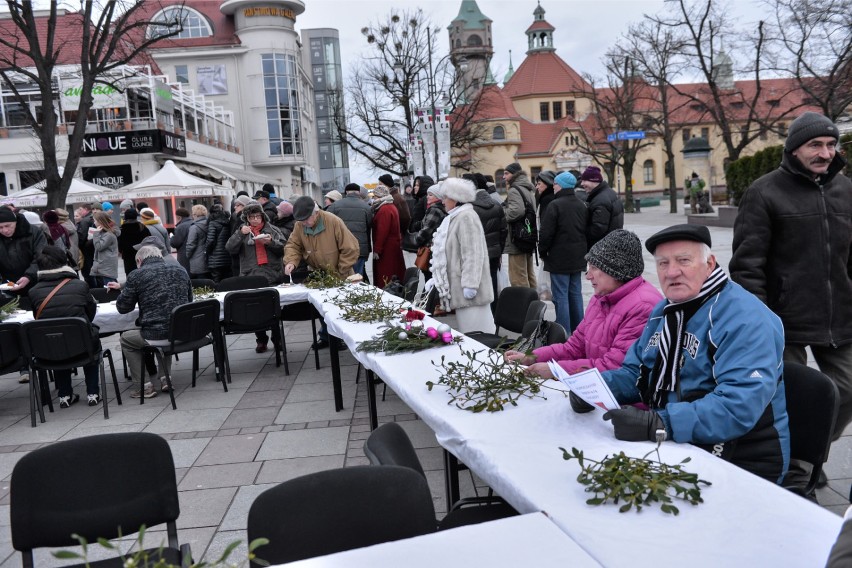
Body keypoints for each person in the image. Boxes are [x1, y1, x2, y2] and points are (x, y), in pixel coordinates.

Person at [598, 224, 789, 484]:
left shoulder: (745, 318)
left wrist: (657, 422)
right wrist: (596, 388)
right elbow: (636, 371)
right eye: (663, 263)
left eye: (684, 261)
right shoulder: (664, 311)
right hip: (680, 441)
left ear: (710, 263)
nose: (672, 272)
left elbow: (737, 405)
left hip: (744, 456)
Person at [730, 111, 852, 488]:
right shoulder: (764, 192)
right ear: (795, 148)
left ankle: (810, 452)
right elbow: (747, 264)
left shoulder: (847, 190)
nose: (826, 152)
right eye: (816, 144)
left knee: (847, 389)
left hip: (841, 317)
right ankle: (798, 470)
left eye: (831, 144)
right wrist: (761, 319)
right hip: (784, 319)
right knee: (792, 396)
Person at [506, 230, 661, 378]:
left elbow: (616, 368)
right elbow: (573, 347)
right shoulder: (601, 297)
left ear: (616, 271)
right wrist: (530, 357)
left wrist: (556, 371)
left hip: (624, 399)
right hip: (596, 386)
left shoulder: (642, 307)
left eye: (594, 268)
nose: (588, 276)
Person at [110, 245, 192, 397]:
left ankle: (144, 386)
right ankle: (166, 379)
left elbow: (122, 307)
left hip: (155, 334)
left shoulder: (137, 275)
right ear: (160, 257)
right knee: (169, 325)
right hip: (181, 331)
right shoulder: (181, 270)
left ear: (139, 260)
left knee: (126, 340)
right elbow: (189, 301)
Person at [28, 246, 103, 407]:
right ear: (65, 262)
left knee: (55, 340)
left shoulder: (33, 291)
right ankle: (93, 393)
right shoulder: (79, 285)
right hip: (82, 345)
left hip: (51, 349)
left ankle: (64, 396)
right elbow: (90, 313)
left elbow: (38, 317)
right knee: (90, 340)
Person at [284, 195, 360, 348]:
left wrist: (340, 270)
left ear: (316, 213)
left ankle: (344, 339)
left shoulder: (333, 221)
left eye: (306, 219)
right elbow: (293, 245)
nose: (304, 223)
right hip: (319, 274)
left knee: (341, 309)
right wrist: (291, 261)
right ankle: (326, 337)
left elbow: (350, 248)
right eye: (301, 220)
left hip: (340, 273)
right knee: (322, 308)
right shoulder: (300, 226)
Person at [429, 178, 494, 333]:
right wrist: (437, 278)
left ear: (456, 199)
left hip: (472, 295)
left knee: (477, 336)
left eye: (445, 197)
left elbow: (472, 253)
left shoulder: (466, 217)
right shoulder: (454, 217)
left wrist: (470, 284)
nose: (442, 201)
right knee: (468, 334)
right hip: (461, 291)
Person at [537, 171, 588, 333]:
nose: (554, 186)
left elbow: (546, 233)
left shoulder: (555, 205)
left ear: (562, 186)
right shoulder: (581, 204)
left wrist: (542, 251)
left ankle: (563, 331)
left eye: (556, 184)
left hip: (559, 258)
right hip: (578, 257)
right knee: (575, 294)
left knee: (560, 296)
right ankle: (579, 329)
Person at [470, 175, 507, 314]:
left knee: (479, 285)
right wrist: (499, 249)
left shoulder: (470, 207)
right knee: (492, 281)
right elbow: (504, 231)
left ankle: (483, 315)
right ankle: (495, 313)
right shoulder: (496, 204)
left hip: (478, 253)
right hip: (494, 251)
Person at [501, 162, 537, 289]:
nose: (504, 177)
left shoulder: (514, 190)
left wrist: (503, 213)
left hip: (518, 238)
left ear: (514, 174)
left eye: (506, 173)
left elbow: (517, 211)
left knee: (518, 277)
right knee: (528, 274)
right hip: (527, 236)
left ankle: (525, 306)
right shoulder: (527, 188)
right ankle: (534, 303)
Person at [327, 183, 373, 280]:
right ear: (359, 193)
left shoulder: (335, 206)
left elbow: (328, 226)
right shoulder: (366, 207)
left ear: (346, 192)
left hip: (342, 248)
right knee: (357, 278)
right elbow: (369, 226)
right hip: (360, 248)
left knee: (342, 278)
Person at [403, 182, 447, 279]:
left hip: (430, 251)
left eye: (431, 195)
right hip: (433, 250)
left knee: (429, 278)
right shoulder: (435, 208)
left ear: (438, 197)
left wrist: (415, 240)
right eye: (427, 194)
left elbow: (426, 230)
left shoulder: (435, 210)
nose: (427, 197)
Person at [0, 206, 47, 297]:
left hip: (37, 285)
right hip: (8, 286)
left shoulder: (33, 232)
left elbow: (41, 256)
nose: (5, 230)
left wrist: (29, 276)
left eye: (7, 226)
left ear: (15, 222)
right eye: (0, 227)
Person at [578, 165, 624, 249]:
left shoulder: (600, 200)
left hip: (602, 248)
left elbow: (598, 229)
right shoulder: (609, 192)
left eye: (584, 180)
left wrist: (581, 233)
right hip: (611, 243)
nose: (582, 184)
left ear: (594, 180)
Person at [370, 185, 406, 287]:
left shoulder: (384, 209)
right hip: (392, 246)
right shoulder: (390, 206)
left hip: (387, 249)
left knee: (386, 274)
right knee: (394, 271)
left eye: (375, 196)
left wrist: (377, 249)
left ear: (380, 196)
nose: (374, 199)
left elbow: (382, 231)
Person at [90, 210, 119, 287]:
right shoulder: (105, 233)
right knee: (109, 285)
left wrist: (95, 234)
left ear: (100, 222)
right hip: (104, 265)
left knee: (110, 286)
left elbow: (99, 247)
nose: (94, 223)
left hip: (106, 266)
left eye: (95, 220)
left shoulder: (108, 235)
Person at [116, 209, 148, 276]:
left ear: (125, 217)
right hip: (142, 256)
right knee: (143, 275)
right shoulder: (142, 227)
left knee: (130, 276)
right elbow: (148, 240)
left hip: (128, 257)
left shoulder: (122, 229)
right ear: (136, 216)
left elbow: (119, 245)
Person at [206, 203, 232, 283]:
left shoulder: (213, 223)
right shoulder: (228, 222)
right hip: (227, 256)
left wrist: (207, 251)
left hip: (215, 258)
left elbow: (210, 240)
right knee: (227, 281)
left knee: (216, 281)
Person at [185, 204, 210, 280]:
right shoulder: (209, 224)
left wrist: (187, 255)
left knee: (201, 284)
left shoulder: (194, 227)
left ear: (195, 214)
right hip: (209, 258)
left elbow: (190, 244)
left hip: (197, 259)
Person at [230, 194, 251, 276]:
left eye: (237, 205)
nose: (235, 207)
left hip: (241, 256)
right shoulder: (237, 217)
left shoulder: (242, 219)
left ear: (244, 206)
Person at [75, 203, 95, 286]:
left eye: (80, 209)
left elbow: (82, 237)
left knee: (87, 272)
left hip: (86, 250)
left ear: (86, 209)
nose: (80, 211)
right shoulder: (92, 218)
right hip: (93, 249)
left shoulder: (85, 221)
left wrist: (78, 246)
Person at [169, 207, 193, 273]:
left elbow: (175, 243)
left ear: (179, 217)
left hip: (184, 256)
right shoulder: (194, 223)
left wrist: (171, 238)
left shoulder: (181, 227)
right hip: (194, 255)